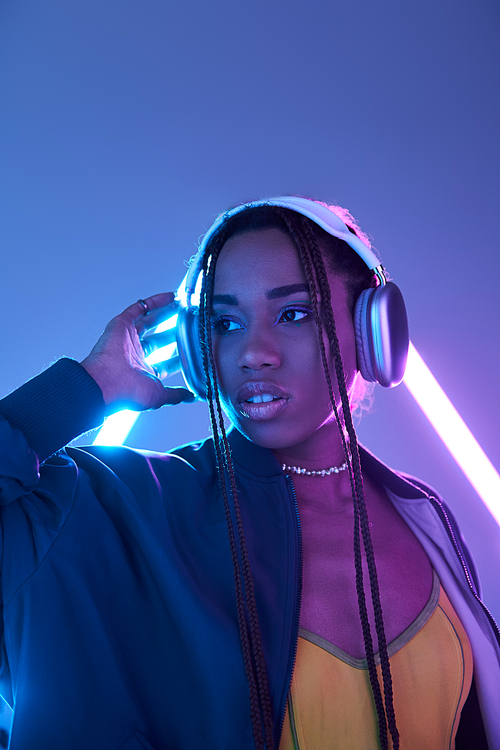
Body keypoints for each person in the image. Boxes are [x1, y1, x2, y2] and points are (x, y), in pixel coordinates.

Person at [0, 197, 499, 750]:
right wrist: (87, 386)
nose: (253, 354)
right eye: (225, 323)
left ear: (370, 329)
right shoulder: (117, 508)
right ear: (196, 349)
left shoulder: (424, 518)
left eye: (293, 313)